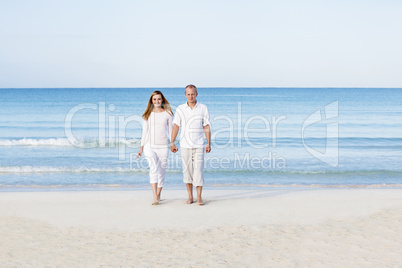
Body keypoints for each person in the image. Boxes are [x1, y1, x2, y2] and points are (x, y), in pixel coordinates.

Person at [170, 84, 211, 205]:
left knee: (198, 171)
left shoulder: (203, 108)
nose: (190, 96)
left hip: (199, 145)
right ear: (185, 95)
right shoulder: (180, 109)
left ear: (196, 94)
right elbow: (176, 126)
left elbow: (206, 126)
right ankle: (190, 197)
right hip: (185, 145)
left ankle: (199, 197)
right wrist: (172, 142)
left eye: (193, 94)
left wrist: (208, 143)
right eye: (188, 94)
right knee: (187, 172)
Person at [137, 91, 173, 205]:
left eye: (159, 99)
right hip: (149, 146)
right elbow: (144, 132)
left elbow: (171, 131)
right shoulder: (148, 114)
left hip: (163, 146)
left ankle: (158, 194)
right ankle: (155, 197)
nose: (157, 101)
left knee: (161, 171)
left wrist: (172, 143)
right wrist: (141, 148)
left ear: (162, 100)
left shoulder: (168, 113)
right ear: (151, 101)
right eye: (154, 99)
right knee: (153, 169)